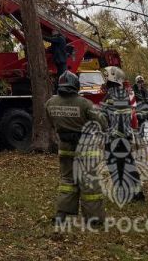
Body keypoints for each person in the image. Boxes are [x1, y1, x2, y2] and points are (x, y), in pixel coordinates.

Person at [46, 70, 107, 227]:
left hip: (65, 148)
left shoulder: (50, 103)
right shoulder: (84, 103)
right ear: (75, 85)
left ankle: (62, 215)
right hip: (85, 148)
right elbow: (102, 124)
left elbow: (51, 123)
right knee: (89, 182)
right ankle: (94, 219)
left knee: (67, 180)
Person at [99, 66, 145, 202]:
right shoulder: (122, 93)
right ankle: (136, 193)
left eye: (106, 77)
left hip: (114, 137)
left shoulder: (112, 95)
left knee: (116, 166)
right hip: (123, 136)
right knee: (128, 163)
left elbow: (104, 117)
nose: (105, 80)